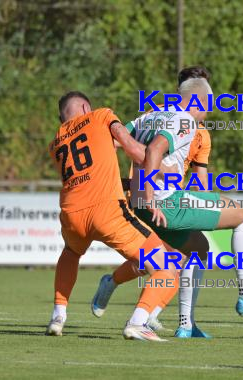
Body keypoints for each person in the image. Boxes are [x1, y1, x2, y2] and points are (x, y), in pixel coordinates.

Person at [46, 91, 176, 341]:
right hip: (107, 212)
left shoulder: (56, 143)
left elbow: (90, 173)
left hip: (72, 214)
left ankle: (58, 316)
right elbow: (131, 147)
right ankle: (138, 323)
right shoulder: (101, 115)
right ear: (86, 107)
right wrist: (161, 169)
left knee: (71, 253)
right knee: (166, 267)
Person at [92, 67, 212, 334]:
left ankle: (141, 306)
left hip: (172, 202)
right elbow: (120, 140)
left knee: (172, 259)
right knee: (164, 261)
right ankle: (142, 315)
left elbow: (200, 174)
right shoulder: (160, 113)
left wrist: (203, 206)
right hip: (147, 199)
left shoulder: (201, 132)